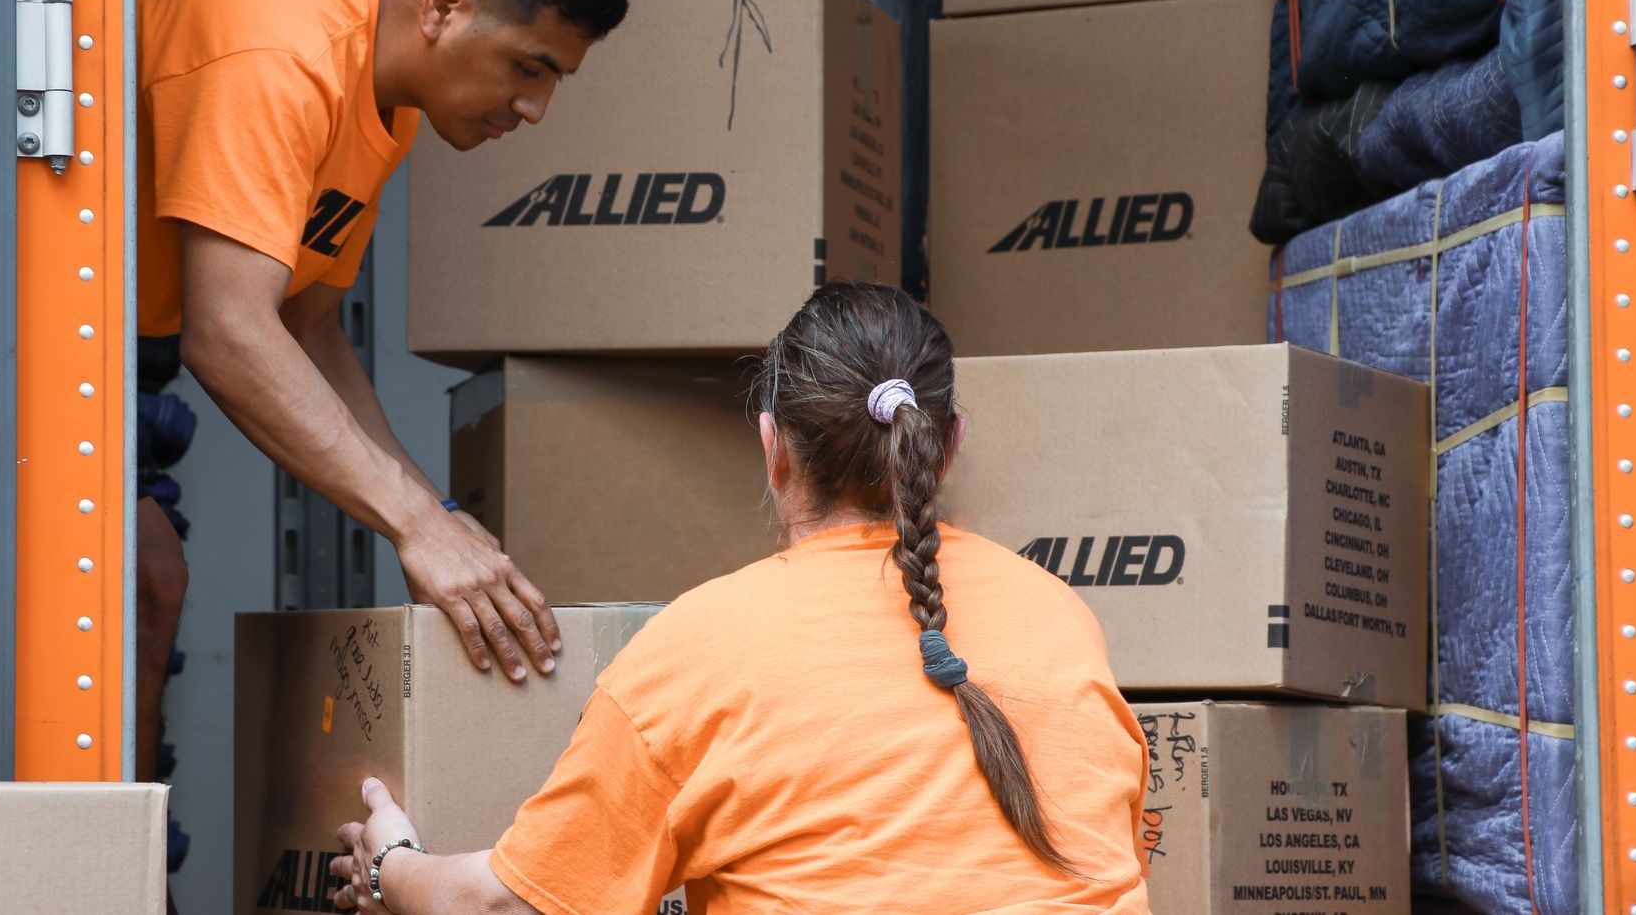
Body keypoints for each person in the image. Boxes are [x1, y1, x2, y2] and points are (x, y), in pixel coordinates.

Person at [329, 282, 1154, 913]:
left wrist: (387, 865)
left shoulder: (698, 650)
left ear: (773, 444)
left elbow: (511, 904)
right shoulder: (1064, 619)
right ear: (948, 447)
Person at [133, 0, 627, 802]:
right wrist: (409, 521)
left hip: (114, 342)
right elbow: (229, 330)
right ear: (443, 7)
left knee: (152, 581)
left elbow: (307, 324)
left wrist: (433, 514)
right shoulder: (283, 58)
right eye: (531, 66)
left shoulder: (385, 96)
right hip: (15, 320)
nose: (536, 110)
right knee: (142, 583)